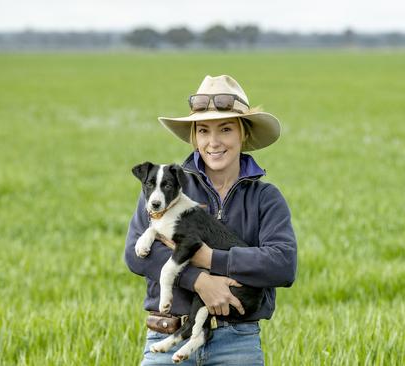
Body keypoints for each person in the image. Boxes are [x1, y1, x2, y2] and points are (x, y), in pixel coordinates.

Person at [124, 75, 297, 365]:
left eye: (225, 129)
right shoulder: (166, 188)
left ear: (243, 134)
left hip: (237, 342)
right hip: (167, 335)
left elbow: (282, 264)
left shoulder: (265, 198)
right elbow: (136, 255)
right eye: (203, 131)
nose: (213, 142)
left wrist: (210, 258)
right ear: (195, 137)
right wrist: (199, 280)